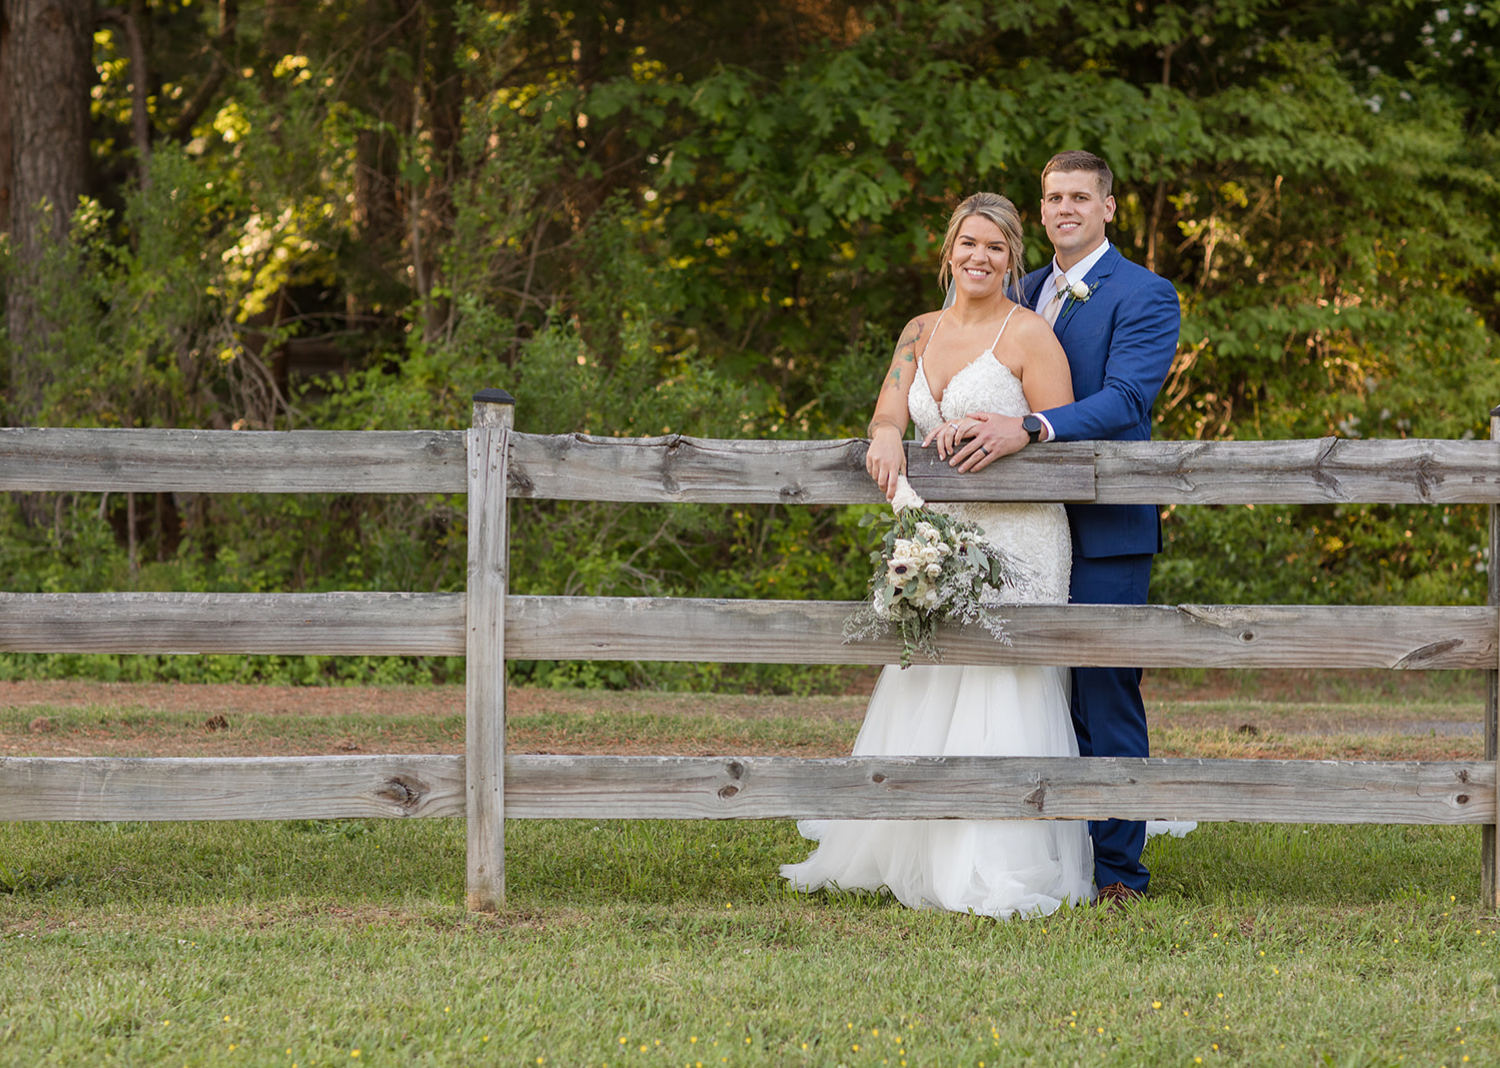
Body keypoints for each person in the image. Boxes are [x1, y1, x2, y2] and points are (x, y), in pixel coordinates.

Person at [780, 192, 1095, 919]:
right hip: (938, 528)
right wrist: (884, 432)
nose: (979, 258)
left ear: (1012, 256)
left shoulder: (1031, 335)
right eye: (967, 244)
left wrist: (1014, 427)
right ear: (947, 250)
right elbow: (891, 407)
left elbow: (1060, 437)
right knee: (927, 670)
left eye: (994, 247)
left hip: (1019, 537)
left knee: (1000, 685)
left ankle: (996, 857)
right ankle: (908, 845)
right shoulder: (918, 331)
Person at [937, 151, 1184, 906]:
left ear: (1109, 207)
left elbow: (1126, 399)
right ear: (1039, 211)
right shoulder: (1022, 289)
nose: (1064, 208)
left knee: (1104, 691)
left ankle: (1118, 874)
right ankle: (1050, 852)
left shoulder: (1147, 294)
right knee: (1031, 691)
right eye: (1052, 197)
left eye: (1080, 196)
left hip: (1106, 526)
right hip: (1023, 529)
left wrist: (1031, 427)